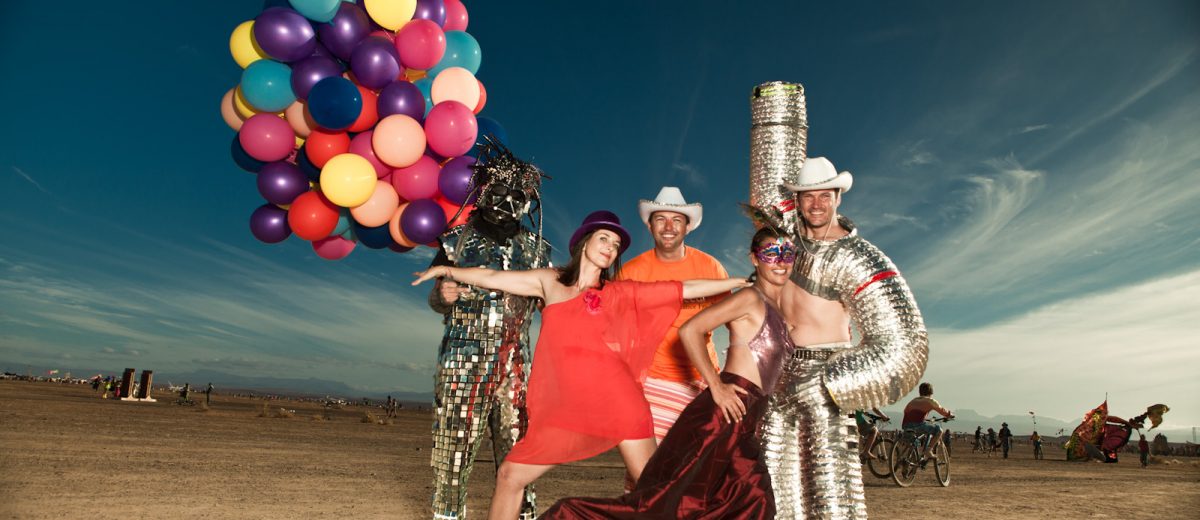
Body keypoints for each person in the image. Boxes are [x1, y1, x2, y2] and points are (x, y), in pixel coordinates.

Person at [412, 210, 747, 520]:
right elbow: (491, 276)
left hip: (619, 401)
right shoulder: (550, 281)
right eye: (604, 238)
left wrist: (739, 283)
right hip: (569, 409)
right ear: (585, 242)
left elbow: (684, 288)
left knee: (653, 492)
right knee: (510, 475)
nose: (611, 248)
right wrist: (447, 270)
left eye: (616, 245)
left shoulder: (618, 292)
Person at [542, 227, 797, 519]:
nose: (780, 261)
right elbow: (690, 330)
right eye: (771, 253)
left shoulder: (780, 309)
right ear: (754, 259)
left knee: (752, 501)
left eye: (787, 254)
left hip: (747, 418)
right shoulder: (750, 298)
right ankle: (565, 515)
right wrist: (716, 386)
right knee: (668, 506)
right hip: (724, 413)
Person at [761, 156, 929, 518]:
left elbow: (906, 343)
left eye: (825, 195)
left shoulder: (858, 256)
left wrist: (834, 381)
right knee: (773, 492)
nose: (816, 204)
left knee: (830, 493)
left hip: (823, 379)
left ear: (838, 197)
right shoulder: (785, 246)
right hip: (778, 377)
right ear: (797, 200)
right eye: (808, 196)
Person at [422, 141, 552, 520]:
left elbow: (552, 302)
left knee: (520, 455)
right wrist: (442, 295)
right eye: (498, 192)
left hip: (517, 369)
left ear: (527, 202)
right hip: (463, 364)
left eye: (516, 196)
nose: (506, 202)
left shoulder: (538, 250)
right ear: (484, 191)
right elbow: (436, 297)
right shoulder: (456, 241)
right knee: (453, 454)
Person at [617, 187, 730, 446]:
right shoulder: (630, 273)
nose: (668, 227)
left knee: (701, 464)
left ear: (687, 227)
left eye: (676, 220)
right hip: (653, 384)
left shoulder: (711, 267)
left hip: (705, 381)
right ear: (649, 226)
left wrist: (729, 378)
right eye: (660, 219)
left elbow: (735, 326)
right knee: (654, 465)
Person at [901, 382, 954, 461]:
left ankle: (910, 461)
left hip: (906, 425)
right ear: (931, 392)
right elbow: (942, 410)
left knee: (915, 442)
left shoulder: (913, 401)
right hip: (918, 425)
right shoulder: (930, 401)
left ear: (920, 392)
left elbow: (906, 411)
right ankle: (928, 450)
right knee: (939, 430)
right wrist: (950, 414)